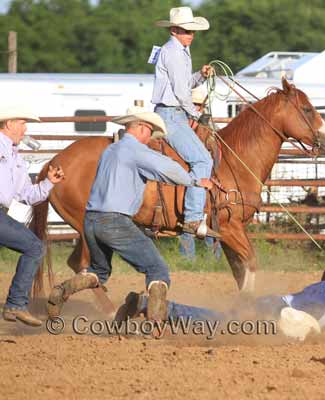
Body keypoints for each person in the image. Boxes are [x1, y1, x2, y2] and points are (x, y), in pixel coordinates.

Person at [47, 107, 210, 322]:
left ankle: (62, 290)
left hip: (91, 220)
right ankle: (156, 320)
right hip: (115, 221)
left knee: (99, 271)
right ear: (141, 128)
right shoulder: (136, 151)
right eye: (150, 132)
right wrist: (196, 181)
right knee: (157, 268)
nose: (151, 137)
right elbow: (166, 168)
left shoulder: (111, 151)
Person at [115, 268, 325, 331]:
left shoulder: (318, 291)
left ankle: (151, 305)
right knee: (220, 324)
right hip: (281, 313)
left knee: (221, 322)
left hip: (275, 303)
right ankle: (152, 306)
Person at [152, 6, 218, 239]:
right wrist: (195, 114)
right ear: (174, 30)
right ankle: (192, 218)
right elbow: (181, 92)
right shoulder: (174, 52)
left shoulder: (177, 51)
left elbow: (182, 84)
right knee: (202, 159)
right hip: (172, 115)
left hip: (173, 112)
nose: (191, 34)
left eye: (192, 31)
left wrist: (200, 75)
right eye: (185, 30)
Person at [0, 107, 65, 326]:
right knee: (35, 247)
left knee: (34, 247)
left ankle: (16, 305)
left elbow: (27, 194)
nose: (25, 128)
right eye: (22, 122)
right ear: (8, 124)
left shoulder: (17, 158)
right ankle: (15, 304)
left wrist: (48, 183)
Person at [179, 85, 222, 261]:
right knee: (190, 216)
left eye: (198, 105)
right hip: (187, 179)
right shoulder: (181, 128)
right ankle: (188, 259)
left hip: (203, 181)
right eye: (193, 104)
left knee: (208, 216)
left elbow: (216, 156)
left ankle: (213, 259)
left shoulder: (207, 132)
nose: (196, 108)